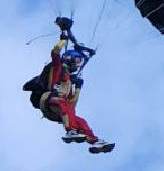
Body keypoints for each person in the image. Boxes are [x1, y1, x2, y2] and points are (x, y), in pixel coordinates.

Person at [30, 17, 111, 150]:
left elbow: (72, 105)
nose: (78, 64)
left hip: (59, 113)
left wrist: (78, 88)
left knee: (81, 121)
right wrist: (64, 37)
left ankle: (94, 141)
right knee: (63, 104)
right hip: (47, 101)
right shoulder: (58, 68)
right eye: (77, 60)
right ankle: (70, 131)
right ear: (70, 58)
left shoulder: (70, 82)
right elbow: (55, 51)